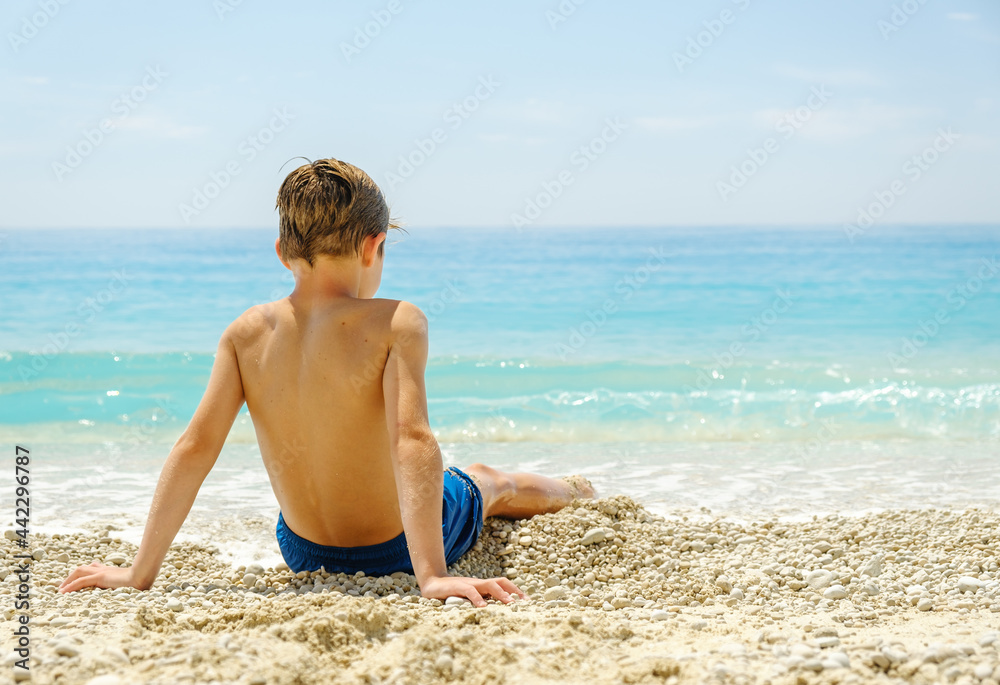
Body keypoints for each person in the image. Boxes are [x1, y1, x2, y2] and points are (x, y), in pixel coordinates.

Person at [60, 158, 594, 606]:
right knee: (485, 479)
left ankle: (561, 491)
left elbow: (195, 447)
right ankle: (580, 491)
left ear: (281, 252)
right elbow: (412, 440)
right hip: (396, 548)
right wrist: (430, 575)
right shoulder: (397, 320)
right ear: (373, 246)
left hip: (302, 550)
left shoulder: (245, 333)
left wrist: (137, 573)